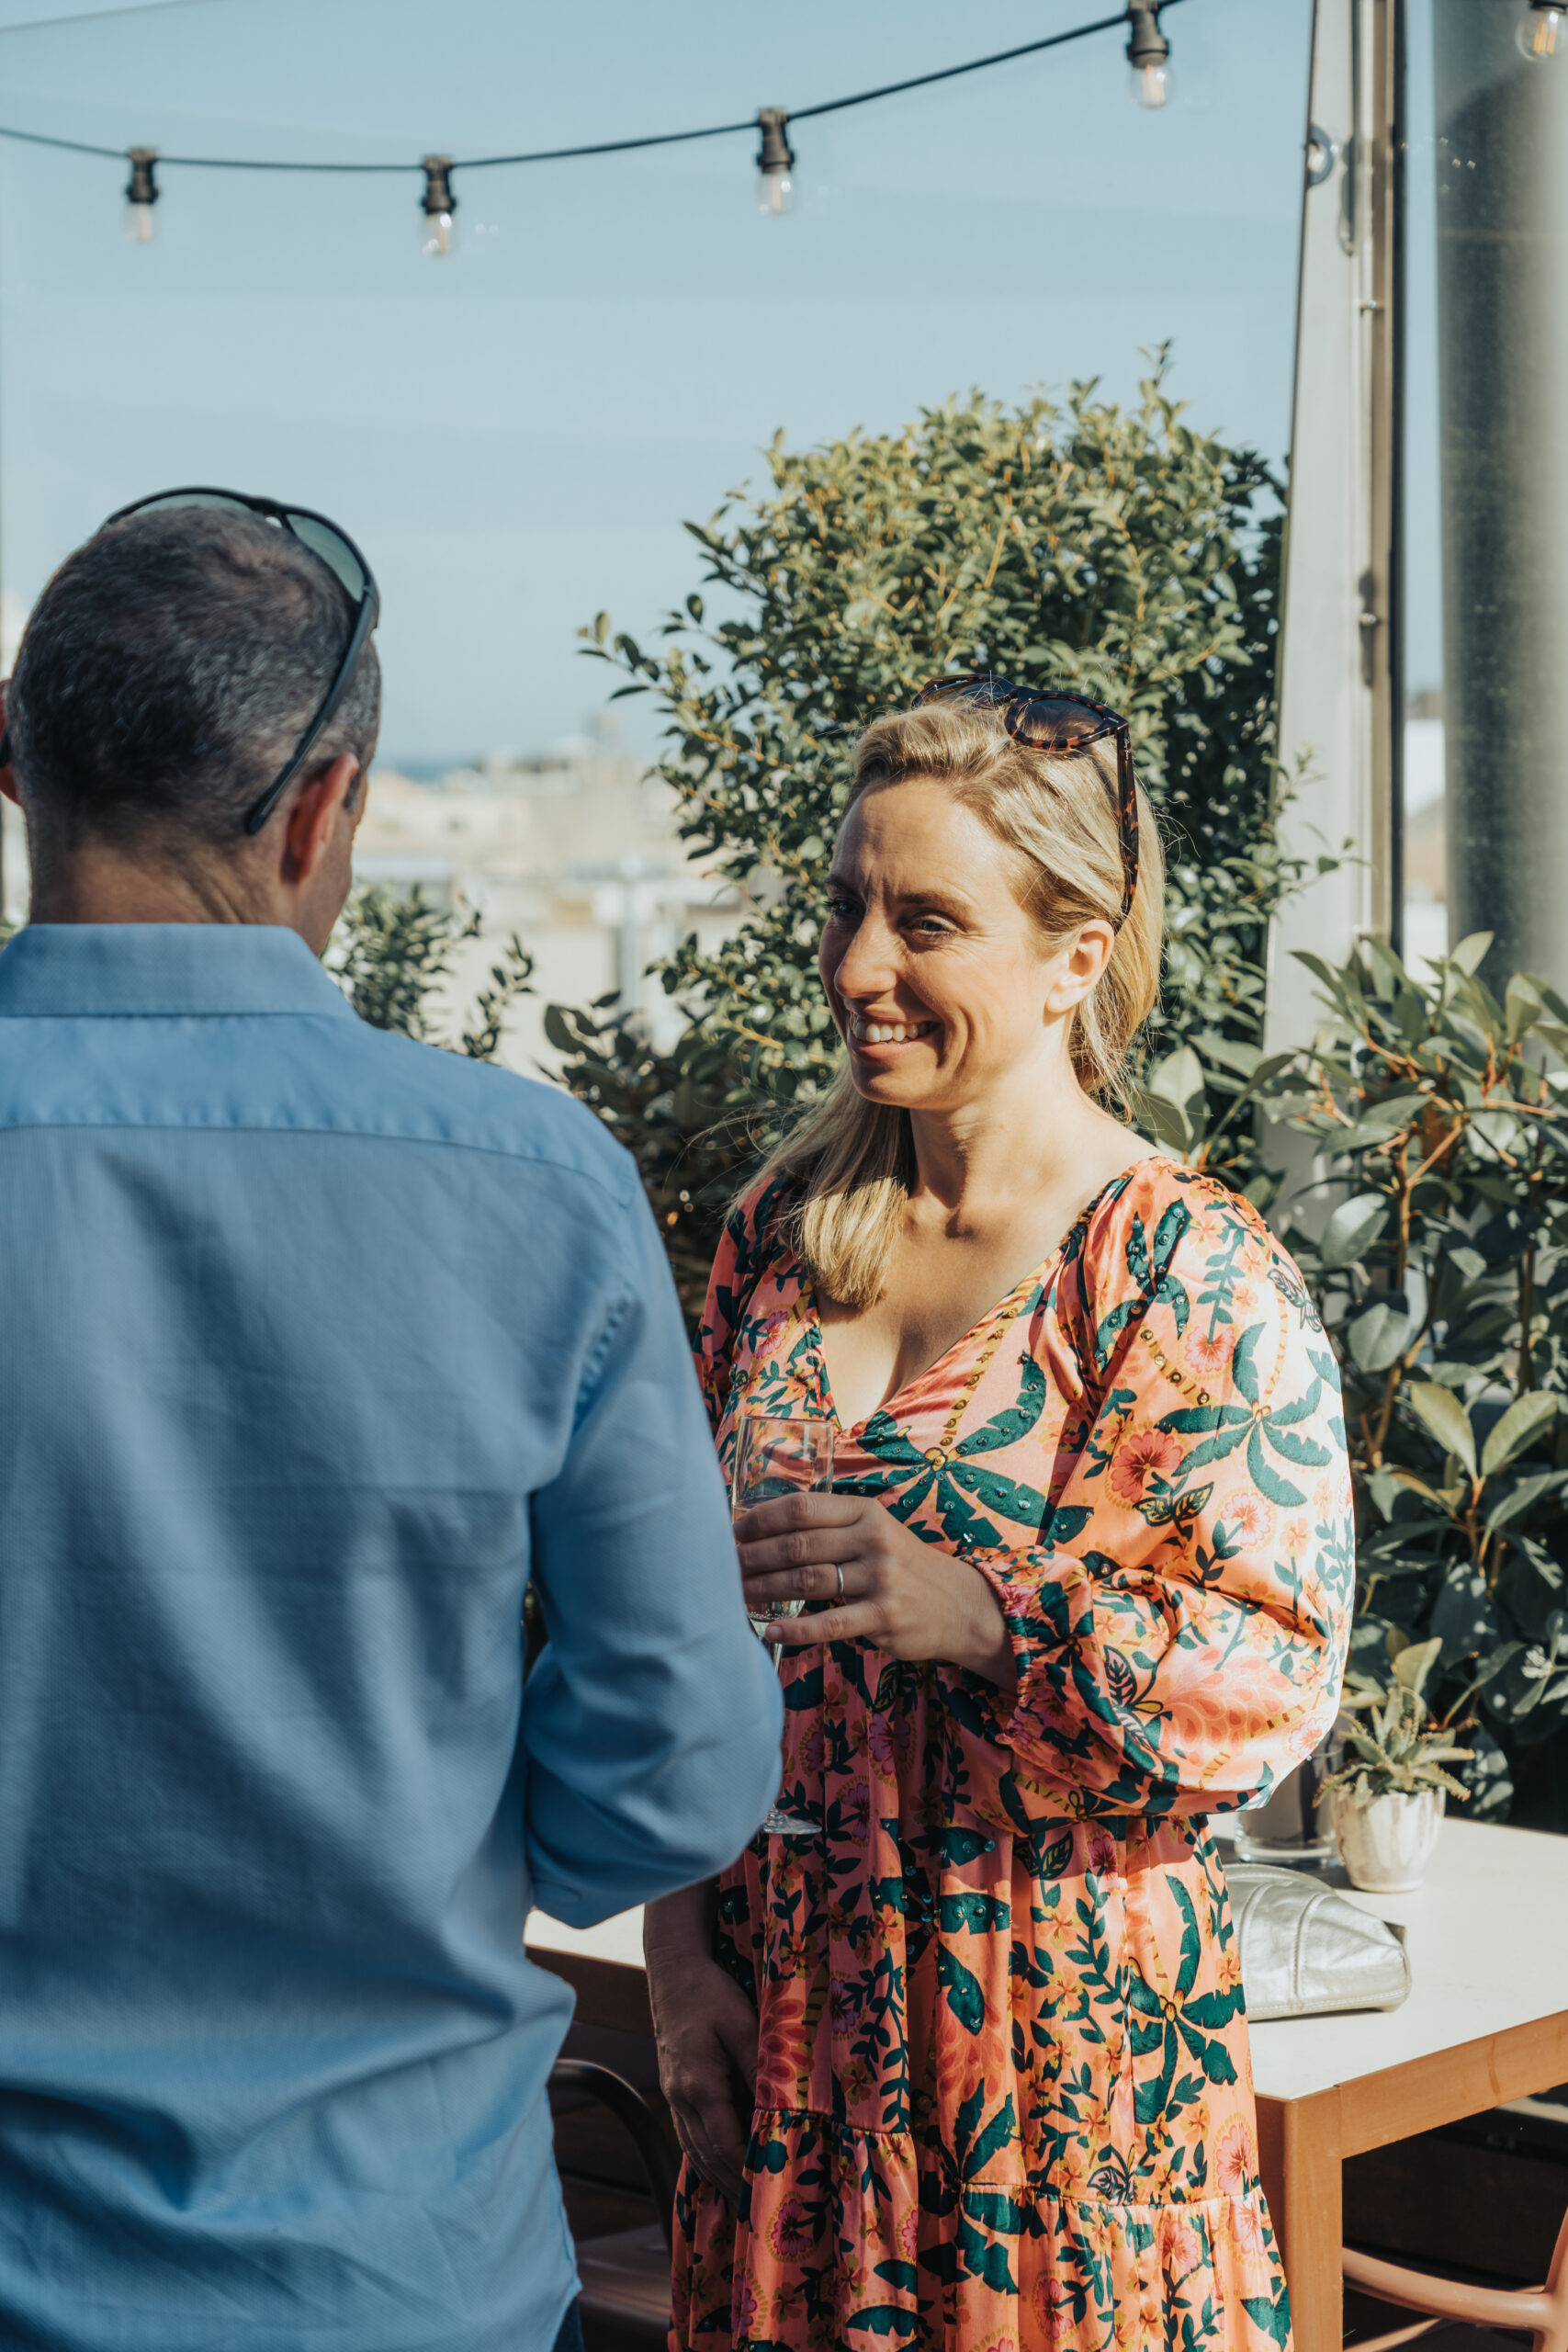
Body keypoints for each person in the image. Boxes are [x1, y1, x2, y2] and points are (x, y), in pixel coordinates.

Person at [0, 491, 783, 2352]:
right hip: (397, 2270)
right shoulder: (533, 1187)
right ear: (324, 806)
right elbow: (677, 1771)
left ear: (15, 769)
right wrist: (423, 1811)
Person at [647, 679, 1353, 2352]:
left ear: (1073, 956)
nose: (856, 968)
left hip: (1060, 2075)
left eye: (926, 923)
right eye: (846, 907)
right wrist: (679, 1962)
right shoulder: (778, 1235)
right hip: (784, 2048)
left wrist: (980, 1617)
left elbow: (1275, 1675)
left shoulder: (1178, 1268)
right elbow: (673, 1624)